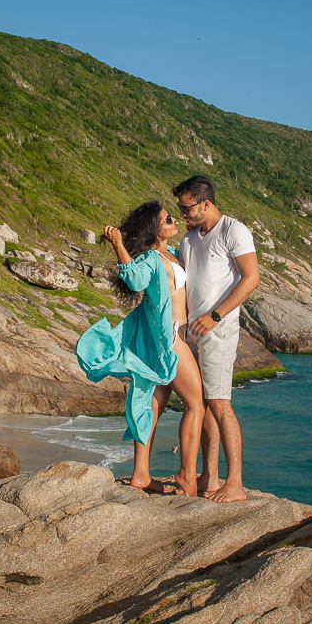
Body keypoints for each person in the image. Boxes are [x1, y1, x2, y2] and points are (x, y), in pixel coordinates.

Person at [75, 201, 205, 497]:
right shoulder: (150, 258)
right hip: (170, 340)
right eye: (166, 218)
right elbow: (133, 279)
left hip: (173, 337)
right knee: (196, 405)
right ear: (154, 229)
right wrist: (119, 245)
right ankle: (187, 476)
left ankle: (141, 475)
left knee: (151, 406)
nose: (173, 220)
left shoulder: (169, 252)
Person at [173, 176, 260, 502]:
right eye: (180, 209)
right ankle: (209, 476)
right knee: (202, 404)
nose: (183, 214)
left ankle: (235, 483)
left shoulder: (233, 230)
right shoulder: (189, 239)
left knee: (221, 403)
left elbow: (252, 278)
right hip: (192, 331)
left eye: (186, 208)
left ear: (205, 203)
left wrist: (215, 316)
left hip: (218, 328)